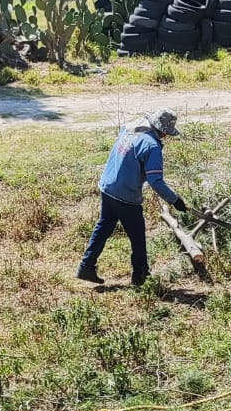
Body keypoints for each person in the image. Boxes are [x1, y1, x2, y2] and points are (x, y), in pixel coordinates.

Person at [76, 109, 189, 287]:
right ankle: (140, 275)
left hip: (107, 185)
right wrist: (175, 200)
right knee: (137, 236)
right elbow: (156, 181)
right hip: (125, 194)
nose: (166, 137)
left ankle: (86, 266)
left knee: (104, 225)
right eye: (166, 133)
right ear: (162, 131)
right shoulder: (152, 146)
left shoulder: (129, 128)